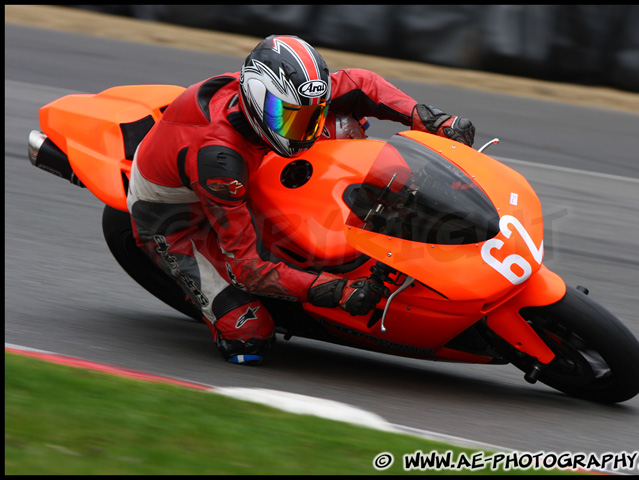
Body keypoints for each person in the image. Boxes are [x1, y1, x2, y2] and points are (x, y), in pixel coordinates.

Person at [126, 34, 476, 365]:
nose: (304, 133)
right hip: (176, 217)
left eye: (310, 117)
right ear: (256, 101)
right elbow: (248, 269)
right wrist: (336, 292)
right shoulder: (220, 161)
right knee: (249, 337)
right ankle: (222, 308)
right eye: (289, 119)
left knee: (342, 125)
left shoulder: (291, 98)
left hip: (245, 165)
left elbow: (360, 83)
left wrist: (431, 118)